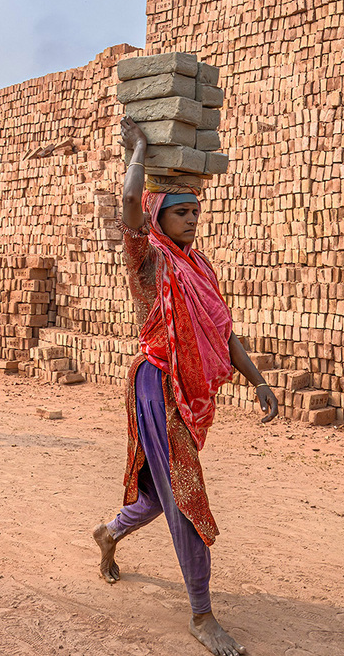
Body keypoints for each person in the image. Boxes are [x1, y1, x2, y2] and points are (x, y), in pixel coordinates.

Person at [93, 116, 279, 656]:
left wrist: (258, 381)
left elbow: (224, 331)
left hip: (190, 391)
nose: (192, 220)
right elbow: (128, 210)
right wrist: (141, 151)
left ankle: (109, 533)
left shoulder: (199, 266)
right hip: (158, 386)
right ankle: (202, 614)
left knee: (157, 495)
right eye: (181, 212)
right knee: (187, 497)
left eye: (196, 211)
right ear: (159, 215)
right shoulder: (147, 261)